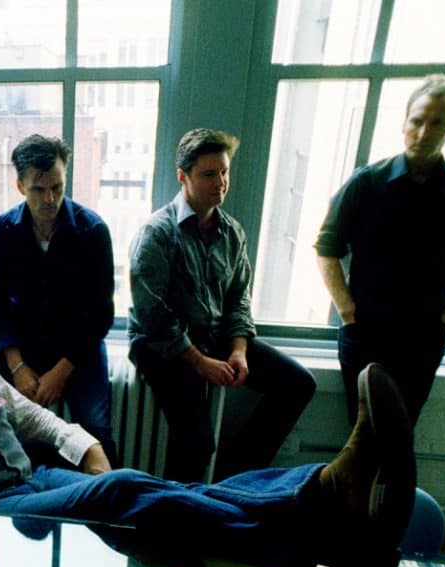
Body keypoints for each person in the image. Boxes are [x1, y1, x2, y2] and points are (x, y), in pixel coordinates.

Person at [0, 266, 418, 567]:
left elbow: (28, 415)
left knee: (157, 498)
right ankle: (325, 499)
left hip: (34, 482)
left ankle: (332, 523)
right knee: (124, 490)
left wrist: (85, 444)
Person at [128, 128, 316, 482]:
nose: (220, 182)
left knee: (299, 384)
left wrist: (239, 351)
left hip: (215, 337)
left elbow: (239, 298)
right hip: (163, 348)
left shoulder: (232, 232)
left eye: (224, 172)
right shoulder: (156, 232)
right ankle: (173, 509)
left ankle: (232, 478)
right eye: (208, 174)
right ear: (183, 177)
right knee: (196, 442)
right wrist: (200, 363)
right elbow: (153, 316)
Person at [316, 74, 445, 424]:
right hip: (367, 329)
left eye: (437, 123)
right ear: (404, 121)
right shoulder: (366, 182)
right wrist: (347, 310)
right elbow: (326, 248)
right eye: (417, 121)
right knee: (361, 431)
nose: (423, 133)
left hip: (425, 333)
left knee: (401, 429)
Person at [0, 135, 117, 462]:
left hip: (78, 348)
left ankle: (104, 492)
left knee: (95, 429)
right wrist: (17, 366)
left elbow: (100, 315)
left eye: (57, 187)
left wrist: (61, 372)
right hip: (21, 344)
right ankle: (18, 488)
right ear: (20, 187)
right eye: (39, 189)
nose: (50, 198)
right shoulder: (3, 231)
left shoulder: (92, 231)